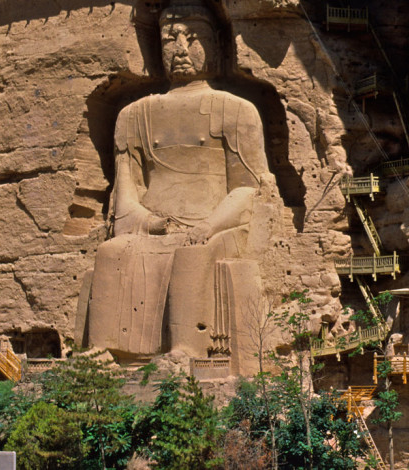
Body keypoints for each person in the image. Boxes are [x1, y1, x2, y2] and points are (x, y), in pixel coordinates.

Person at [84, 0, 271, 359]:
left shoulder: (235, 110)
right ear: (157, 47)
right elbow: (125, 196)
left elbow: (247, 188)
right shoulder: (133, 115)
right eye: (171, 40)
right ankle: (106, 351)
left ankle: (187, 347)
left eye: (194, 38)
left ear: (216, 46)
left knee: (191, 253)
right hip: (154, 227)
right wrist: (147, 222)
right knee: (111, 252)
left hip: (216, 227)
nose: (181, 49)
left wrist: (209, 225)